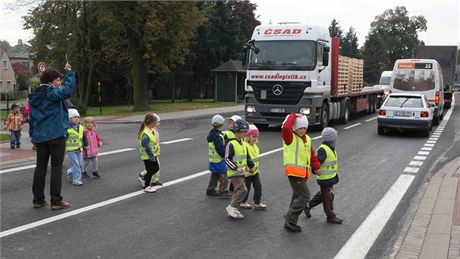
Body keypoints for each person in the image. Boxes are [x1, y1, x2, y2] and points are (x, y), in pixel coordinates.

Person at [29, 63, 75, 210]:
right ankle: (56, 200)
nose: (59, 83)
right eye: (57, 80)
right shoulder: (51, 93)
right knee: (56, 167)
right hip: (56, 135)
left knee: (40, 168)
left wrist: (33, 136)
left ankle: (38, 199)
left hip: (40, 137)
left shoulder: (34, 96)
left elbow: (32, 119)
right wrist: (69, 73)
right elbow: (68, 91)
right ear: (50, 81)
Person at [282, 113, 320, 232]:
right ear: (295, 127)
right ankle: (291, 220)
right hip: (293, 172)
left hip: (302, 173)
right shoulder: (290, 137)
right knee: (305, 196)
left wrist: (316, 167)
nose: (303, 130)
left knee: (297, 196)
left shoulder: (307, 139)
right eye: (300, 128)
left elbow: (311, 155)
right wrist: (293, 116)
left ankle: (289, 217)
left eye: (305, 128)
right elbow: (286, 127)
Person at [304, 127, 343, 224]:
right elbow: (317, 162)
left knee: (324, 195)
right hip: (325, 179)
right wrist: (315, 170)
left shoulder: (329, 148)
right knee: (327, 198)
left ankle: (308, 206)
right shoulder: (323, 150)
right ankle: (330, 216)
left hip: (330, 178)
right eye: (335, 137)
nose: (336, 139)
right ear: (332, 139)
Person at [224, 119, 254, 219]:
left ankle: (233, 208)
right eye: (244, 132)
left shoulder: (242, 143)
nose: (246, 133)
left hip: (242, 171)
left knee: (238, 190)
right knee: (243, 190)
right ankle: (232, 207)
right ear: (238, 131)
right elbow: (227, 159)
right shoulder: (231, 143)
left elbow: (246, 156)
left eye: (246, 131)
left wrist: (250, 166)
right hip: (234, 172)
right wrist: (236, 168)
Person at [240, 125, 267, 210]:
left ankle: (257, 203)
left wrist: (257, 169)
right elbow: (244, 159)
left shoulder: (255, 146)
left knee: (258, 187)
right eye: (253, 136)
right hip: (247, 173)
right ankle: (243, 202)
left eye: (256, 136)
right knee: (246, 188)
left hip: (255, 172)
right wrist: (248, 169)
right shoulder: (244, 146)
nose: (255, 138)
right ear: (247, 136)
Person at [206, 114, 229, 196]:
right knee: (224, 176)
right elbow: (220, 149)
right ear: (221, 124)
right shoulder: (218, 136)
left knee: (215, 175)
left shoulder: (212, 134)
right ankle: (223, 191)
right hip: (219, 160)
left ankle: (210, 189)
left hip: (213, 160)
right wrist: (225, 155)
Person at [138, 113, 160, 193]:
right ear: (151, 123)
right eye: (155, 123)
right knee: (150, 171)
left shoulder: (150, 130)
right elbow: (145, 145)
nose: (156, 124)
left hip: (152, 155)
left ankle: (144, 178)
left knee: (156, 168)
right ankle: (147, 187)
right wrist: (151, 156)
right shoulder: (146, 133)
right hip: (147, 156)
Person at [66, 109, 88, 186]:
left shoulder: (81, 127)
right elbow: (64, 139)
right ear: (69, 119)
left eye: (78, 117)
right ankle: (76, 180)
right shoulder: (67, 129)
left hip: (79, 149)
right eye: (74, 117)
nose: (77, 118)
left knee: (80, 164)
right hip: (71, 150)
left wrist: (86, 144)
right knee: (76, 164)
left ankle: (70, 171)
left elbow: (84, 137)